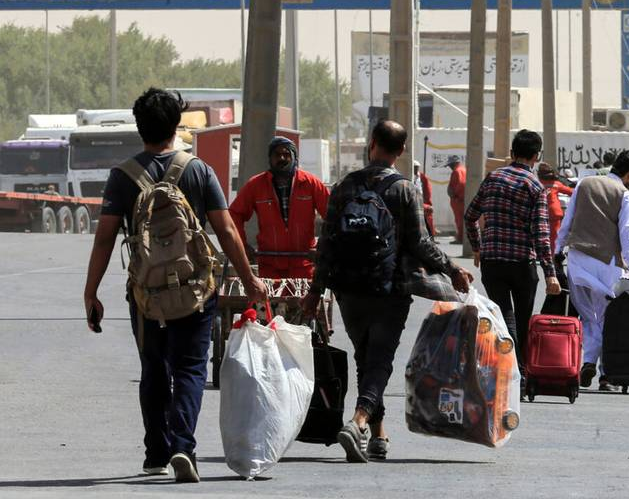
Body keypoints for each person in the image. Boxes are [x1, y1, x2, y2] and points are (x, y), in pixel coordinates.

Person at [82, 88, 267, 482]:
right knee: (189, 369)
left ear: (139, 127)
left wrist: (91, 292)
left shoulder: (122, 177)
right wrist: (249, 279)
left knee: (153, 368)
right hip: (196, 291)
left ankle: (155, 453)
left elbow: (105, 238)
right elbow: (227, 231)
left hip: (146, 295)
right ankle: (183, 446)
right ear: (175, 126)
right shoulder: (198, 170)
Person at [303, 119, 473, 463]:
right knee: (379, 361)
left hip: (348, 290)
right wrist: (453, 270)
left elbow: (327, 246)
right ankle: (359, 422)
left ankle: (378, 436)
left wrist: (315, 291)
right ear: (402, 150)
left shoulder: (345, 187)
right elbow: (421, 244)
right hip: (390, 289)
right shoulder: (405, 190)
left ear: (371, 144)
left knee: (365, 357)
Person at [464, 131, 561, 392]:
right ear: (536, 156)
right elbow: (541, 234)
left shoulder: (493, 178)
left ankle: (508, 370)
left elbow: (470, 215)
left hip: (492, 261)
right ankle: (519, 372)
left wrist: (477, 247)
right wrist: (550, 272)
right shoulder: (534, 186)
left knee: (502, 315)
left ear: (512, 150)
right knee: (522, 317)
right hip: (521, 263)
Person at [555, 149, 629, 392]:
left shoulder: (584, 184)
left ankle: (588, 361)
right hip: (607, 264)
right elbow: (627, 233)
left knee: (586, 316)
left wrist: (557, 250)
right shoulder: (626, 195)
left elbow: (567, 220)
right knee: (607, 318)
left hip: (578, 259)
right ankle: (605, 375)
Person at [229, 136, 329, 279]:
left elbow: (333, 216)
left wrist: (322, 247)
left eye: (286, 154)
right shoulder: (256, 185)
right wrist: (242, 246)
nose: (282, 158)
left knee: (301, 302)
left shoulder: (311, 183)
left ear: (294, 157)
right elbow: (235, 214)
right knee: (268, 301)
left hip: (303, 264)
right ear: (270, 158)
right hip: (269, 265)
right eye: (277, 154)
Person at [537, 161, 574, 253]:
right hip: (554, 212)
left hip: (540, 213)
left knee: (540, 236)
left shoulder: (537, 183)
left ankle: (543, 254)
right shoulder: (556, 184)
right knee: (554, 237)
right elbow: (571, 192)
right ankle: (554, 256)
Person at [446, 155, 466, 243]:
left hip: (458, 201)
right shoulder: (463, 169)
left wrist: (455, 195)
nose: (449, 167)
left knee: (459, 220)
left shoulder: (456, 171)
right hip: (461, 200)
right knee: (461, 220)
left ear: (454, 163)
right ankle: (461, 237)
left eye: (450, 165)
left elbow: (461, 184)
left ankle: (460, 238)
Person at [413, 159, 436, 237]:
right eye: (414, 167)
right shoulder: (410, 175)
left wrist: (428, 201)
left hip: (422, 200)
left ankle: (431, 235)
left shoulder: (422, 176)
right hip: (414, 200)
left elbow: (427, 189)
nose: (416, 169)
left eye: (417, 167)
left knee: (428, 218)